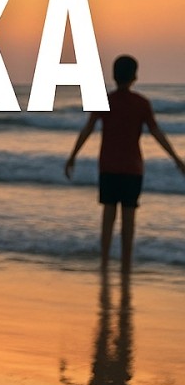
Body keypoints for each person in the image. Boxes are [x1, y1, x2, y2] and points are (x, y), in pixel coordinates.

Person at [65, 55, 185, 272]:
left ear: (114, 75)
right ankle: (126, 265)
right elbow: (157, 133)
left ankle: (104, 263)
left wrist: (73, 155)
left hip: (108, 167)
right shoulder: (142, 104)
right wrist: (177, 159)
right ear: (135, 76)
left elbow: (87, 129)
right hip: (133, 169)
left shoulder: (104, 101)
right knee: (129, 219)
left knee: (108, 215)